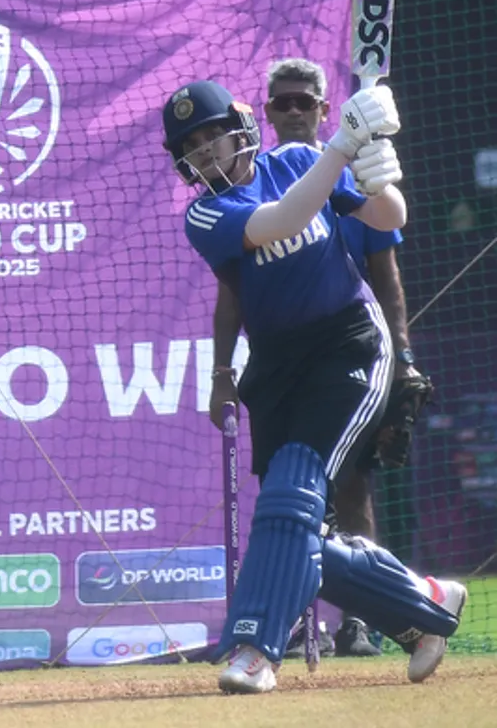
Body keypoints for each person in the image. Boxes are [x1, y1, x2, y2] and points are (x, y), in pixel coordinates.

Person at [162, 78, 466, 694]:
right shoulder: (204, 214)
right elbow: (283, 221)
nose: (203, 151)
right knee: (302, 528)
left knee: (293, 492)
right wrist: (343, 149)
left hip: (347, 345)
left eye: (211, 136)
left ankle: (255, 648)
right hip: (277, 367)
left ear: (240, 131)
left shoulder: (300, 159)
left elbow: (388, 219)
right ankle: (426, 601)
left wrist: (379, 176)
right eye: (190, 145)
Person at [210, 58, 433, 659]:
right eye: (281, 103)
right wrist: (223, 372)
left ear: (323, 109)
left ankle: (353, 623)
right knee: (287, 501)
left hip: (348, 352)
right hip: (282, 364)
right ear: (266, 113)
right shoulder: (255, 186)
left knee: (348, 488)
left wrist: (403, 357)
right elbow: (233, 295)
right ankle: (403, 605)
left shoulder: (348, 169)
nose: (292, 112)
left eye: (303, 103)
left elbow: (387, 273)